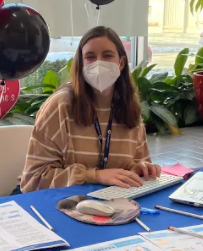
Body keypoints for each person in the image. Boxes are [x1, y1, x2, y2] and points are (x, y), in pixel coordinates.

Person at [20, 26, 161, 193]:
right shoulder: (60, 106)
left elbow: (134, 163)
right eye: (90, 57)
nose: (99, 63)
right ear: (81, 64)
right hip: (63, 206)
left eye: (107, 56)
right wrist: (93, 176)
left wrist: (139, 168)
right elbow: (32, 180)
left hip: (113, 205)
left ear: (121, 63)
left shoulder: (129, 109)